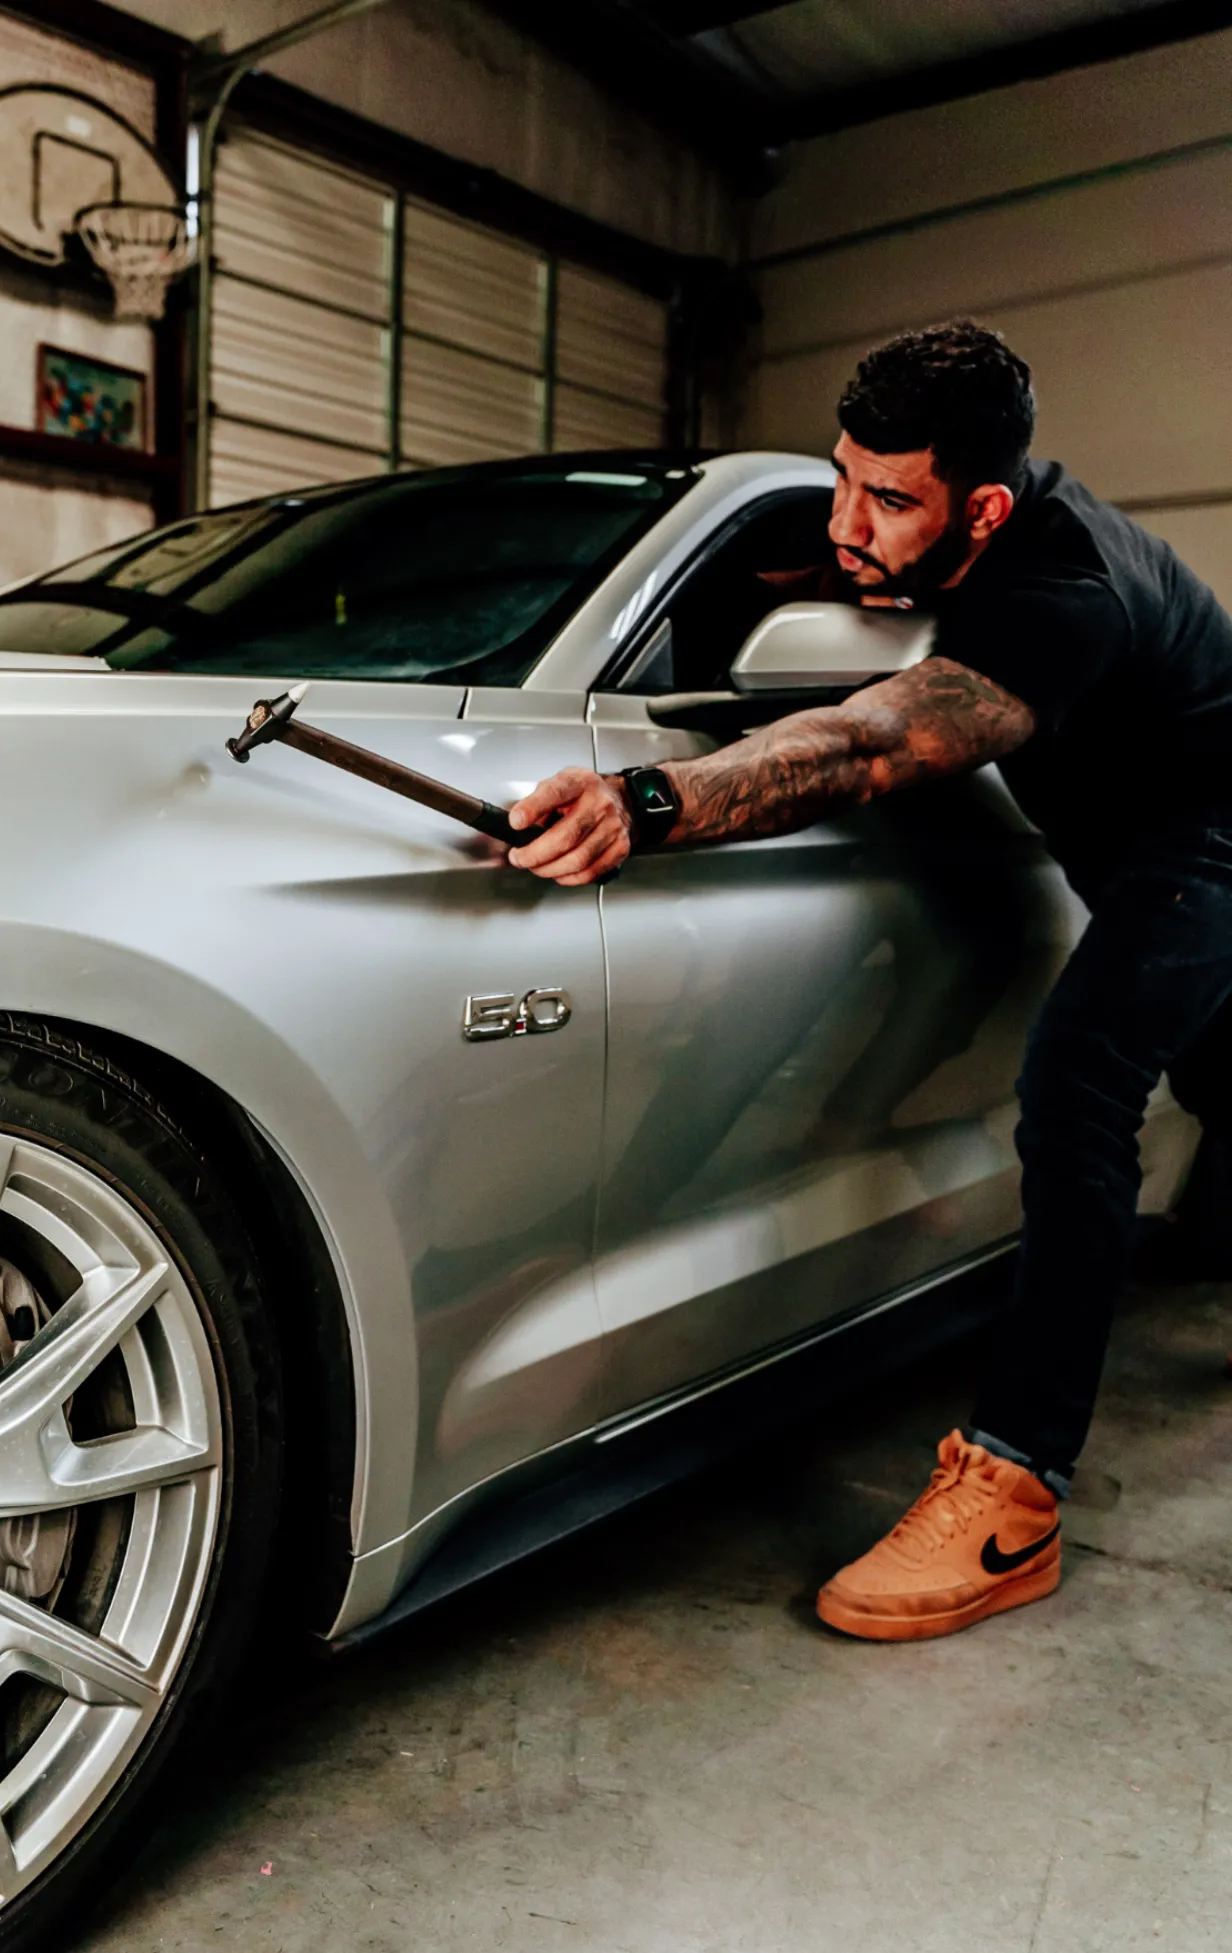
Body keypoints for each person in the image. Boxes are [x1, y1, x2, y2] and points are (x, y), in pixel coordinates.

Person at [508, 318, 1232, 1642]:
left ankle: (1015, 1487)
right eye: (844, 477)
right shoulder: (971, 538)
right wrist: (876, 555)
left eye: (890, 500)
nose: (851, 519)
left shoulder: (1058, 582)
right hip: (1129, 831)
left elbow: (871, 747)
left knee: (1081, 1087)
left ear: (986, 507)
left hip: (1209, 834)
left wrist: (651, 797)